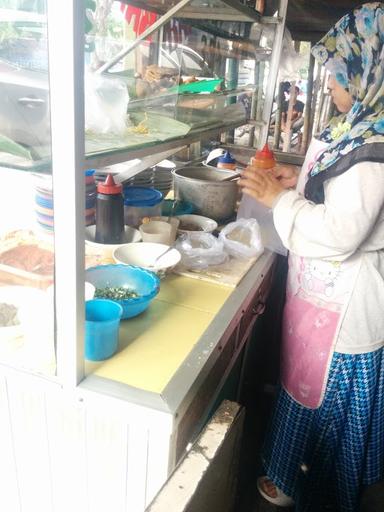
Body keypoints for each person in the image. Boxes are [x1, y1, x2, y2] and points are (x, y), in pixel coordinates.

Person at [239, 3, 384, 511]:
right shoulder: (356, 129)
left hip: (345, 308)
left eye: (339, 76)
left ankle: (320, 494)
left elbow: (342, 231)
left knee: (323, 402)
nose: (330, 87)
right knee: (300, 390)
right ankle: (288, 477)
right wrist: (292, 185)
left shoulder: (374, 145)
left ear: (369, 71)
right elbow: (331, 194)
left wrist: (282, 202)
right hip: (320, 295)